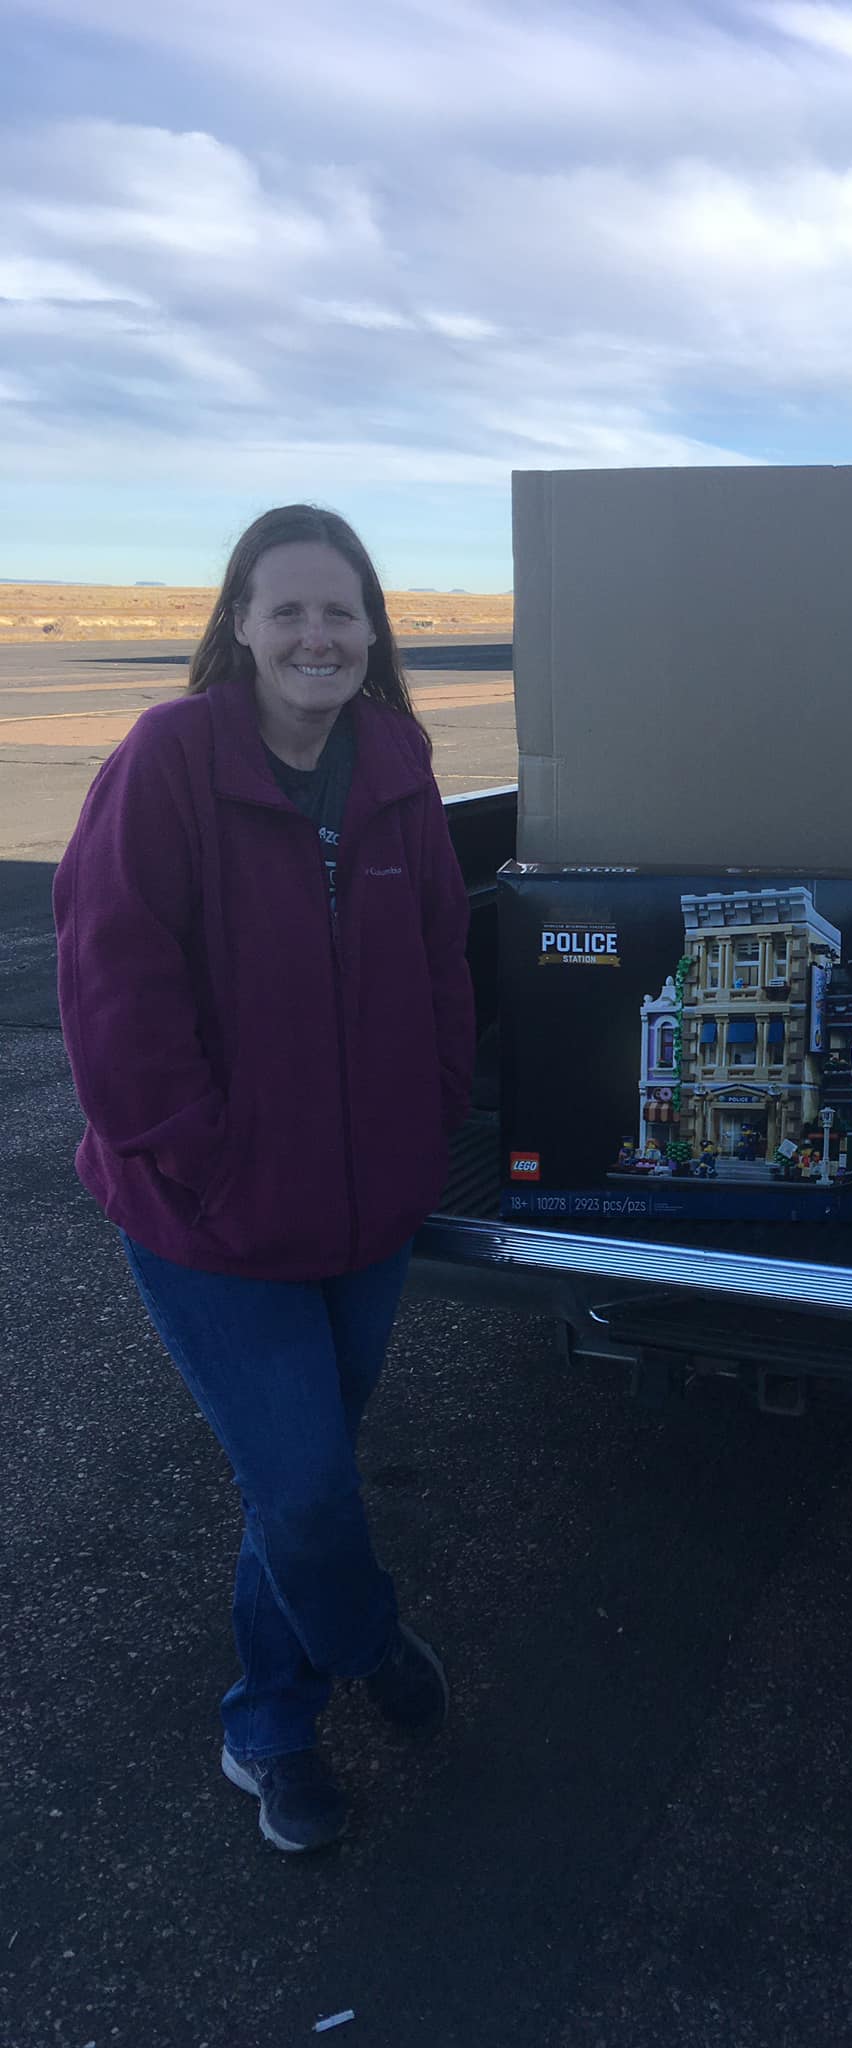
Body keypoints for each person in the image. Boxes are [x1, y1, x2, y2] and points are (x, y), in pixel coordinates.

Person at [54, 505, 475, 1854]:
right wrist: (200, 1153)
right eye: (287, 607)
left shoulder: (397, 765)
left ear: (372, 634)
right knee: (300, 1488)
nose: (317, 634)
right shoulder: (171, 760)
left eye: (341, 611)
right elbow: (112, 983)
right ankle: (359, 1647)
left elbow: (443, 970)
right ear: (237, 622)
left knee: (304, 1475)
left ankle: (271, 1716)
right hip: (211, 1214)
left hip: (366, 1210)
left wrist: (427, 1121)